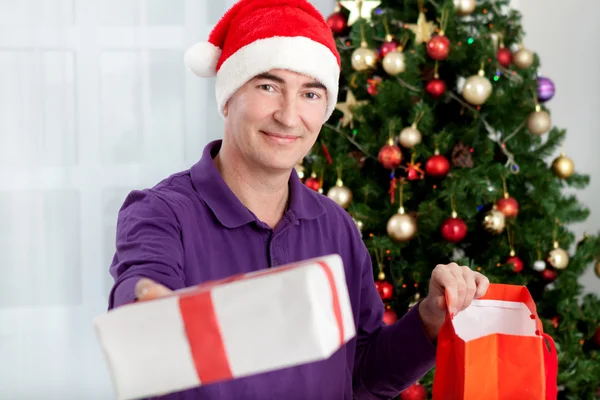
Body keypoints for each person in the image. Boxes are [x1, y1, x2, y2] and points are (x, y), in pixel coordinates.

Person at [107, 0, 490, 398]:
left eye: (310, 93)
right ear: (228, 95)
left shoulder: (334, 225)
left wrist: (429, 319)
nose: (289, 117)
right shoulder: (161, 213)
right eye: (268, 86)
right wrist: (145, 308)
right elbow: (140, 299)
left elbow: (360, 374)